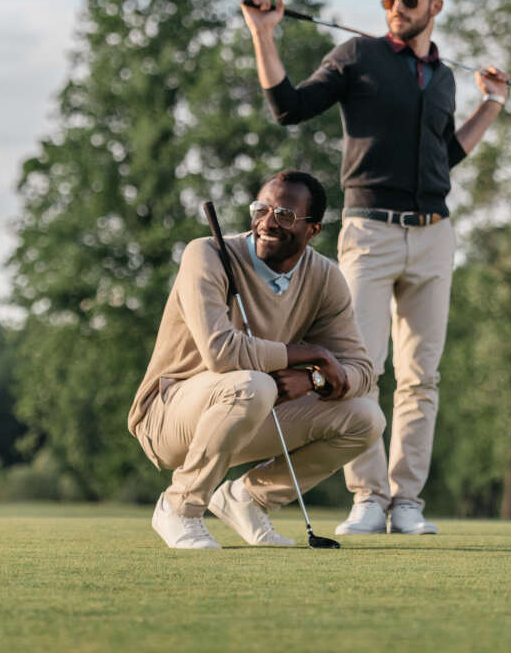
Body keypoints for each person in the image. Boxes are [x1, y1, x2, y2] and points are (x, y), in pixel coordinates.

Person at [241, 0, 509, 535]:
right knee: (364, 368)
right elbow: (287, 107)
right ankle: (367, 495)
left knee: (422, 376)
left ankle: (406, 501)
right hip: (370, 231)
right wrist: (264, 33)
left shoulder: (442, 78)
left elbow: (445, 158)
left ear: (435, 6)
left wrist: (491, 104)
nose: (395, 7)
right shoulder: (357, 57)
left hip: (435, 234)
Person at [129, 170, 383, 549]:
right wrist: (313, 355)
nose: (267, 222)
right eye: (261, 209)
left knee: (366, 419)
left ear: (312, 229)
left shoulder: (326, 277)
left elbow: (362, 372)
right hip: (168, 415)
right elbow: (221, 353)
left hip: (248, 407)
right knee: (255, 383)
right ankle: (179, 506)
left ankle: (247, 499)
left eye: (284, 215)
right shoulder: (207, 253)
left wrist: (312, 381)